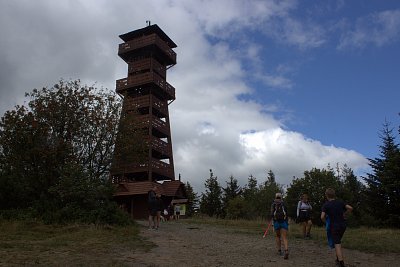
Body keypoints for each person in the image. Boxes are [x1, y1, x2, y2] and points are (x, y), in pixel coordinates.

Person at [321, 188, 353, 267]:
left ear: (326, 195)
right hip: (343, 225)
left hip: (334, 226)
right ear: (334, 195)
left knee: (337, 243)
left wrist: (326, 222)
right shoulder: (340, 202)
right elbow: (350, 208)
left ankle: (341, 263)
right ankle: (338, 259)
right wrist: (345, 214)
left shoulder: (326, 205)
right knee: (337, 242)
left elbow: (322, 217)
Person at [270, 192, 289, 260]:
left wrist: (272, 222)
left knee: (278, 236)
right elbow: (287, 214)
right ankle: (286, 250)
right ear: (281, 197)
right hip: (283, 222)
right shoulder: (284, 204)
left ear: (275, 197)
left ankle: (279, 251)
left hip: (276, 222)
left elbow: (272, 214)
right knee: (284, 237)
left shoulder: (273, 204)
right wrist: (287, 222)